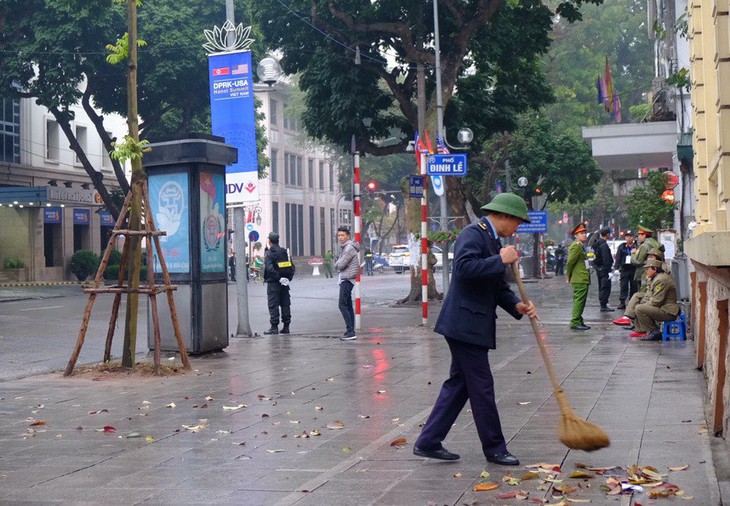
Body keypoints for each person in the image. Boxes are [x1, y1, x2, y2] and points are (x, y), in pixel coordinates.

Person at [413, 193, 538, 467]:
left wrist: (516, 305)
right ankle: (495, 448)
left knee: (459, 385)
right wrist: (500, 260)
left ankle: (428, 441)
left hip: (471, 324)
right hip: (464, 324)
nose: (517, 228)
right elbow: (465, 269)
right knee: (482, 387)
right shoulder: (473, 233)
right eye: (517, 221)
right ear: (504, 215)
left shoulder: (493, 240)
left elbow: (496, 287)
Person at [613, 247, 666, 328]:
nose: (648, 259)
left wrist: (645, 301)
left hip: (662, 303)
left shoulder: (662, 270)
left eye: (651, 257)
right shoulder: (653, 267)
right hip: (653, 295)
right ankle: (630, 320)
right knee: (637, 295)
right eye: (648, 257)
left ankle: (646, 328)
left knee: (639, 306)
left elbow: (658, 295)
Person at [628, 258, 680, 341]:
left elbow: (657, 301)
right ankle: (650, 331)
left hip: (668, 311)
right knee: (639, 304)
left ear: (655, 269)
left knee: (639, 308)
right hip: (663, 308)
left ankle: (654, 332)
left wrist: (643, 304)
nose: (646, 272)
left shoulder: (661, 280)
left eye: (647, 269)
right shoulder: (657, 278)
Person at [263, 232, 295, 335]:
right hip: (285, 283)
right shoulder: (284, 252)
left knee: (273, 304)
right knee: (285, 303)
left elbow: (270, 269)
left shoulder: (268, 253)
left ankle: (274, 327)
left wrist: (278, 278)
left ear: (269, 240)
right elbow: (291, 266)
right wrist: (288, 279)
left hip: (274, 283)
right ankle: (286, 327)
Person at [334, 226, 360, 340]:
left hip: (347, 278)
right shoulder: (344, 247)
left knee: (342, 305)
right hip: (346, 278)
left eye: (342, 235)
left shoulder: (349, 248)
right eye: (339, 235)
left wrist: (336, 264)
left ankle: (350, 331)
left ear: (348, 236)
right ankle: (350, 330)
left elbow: (340, 265)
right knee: (348, 305)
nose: (340, 237)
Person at [566, 223, 591, 330]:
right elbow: (570, 262)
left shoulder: (580, 246)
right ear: (576, 236)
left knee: (581, 301)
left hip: (583, 277)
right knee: (579, 300)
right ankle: (575, 321)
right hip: (579, 278)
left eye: (585, 233)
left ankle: (579, 320)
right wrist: (568, 276)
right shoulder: (576, 246)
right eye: (581, 233)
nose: (584, 235)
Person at [630, 225, 661, 295]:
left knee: (642, 293)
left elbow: (638, 261)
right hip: (655, 271)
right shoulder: (655, 243)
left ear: (644, 235)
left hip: (644, 273)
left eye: (639, 235)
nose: (638, 237)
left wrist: (633, 254)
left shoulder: (644, 246)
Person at [613, 230, 637, 309]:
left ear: (633, 237)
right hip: (624, 269)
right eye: (627, 236)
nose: (628, 238)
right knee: (623, 286)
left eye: (630, 236)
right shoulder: (622, 246)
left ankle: (632, 302)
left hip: (634, 268)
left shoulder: (636, 246)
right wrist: (616, 267)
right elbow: (618, 257)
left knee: (634, 286)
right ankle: (622, 302)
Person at [593, 228, 614, 312]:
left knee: (601, 286)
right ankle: (603, 304)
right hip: (604, 269)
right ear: (607, 234)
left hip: (599, 268)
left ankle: (603, 303)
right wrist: (608, 268)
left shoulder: (598, 243)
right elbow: (606, 258)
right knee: (605, 287)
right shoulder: (603, 245)